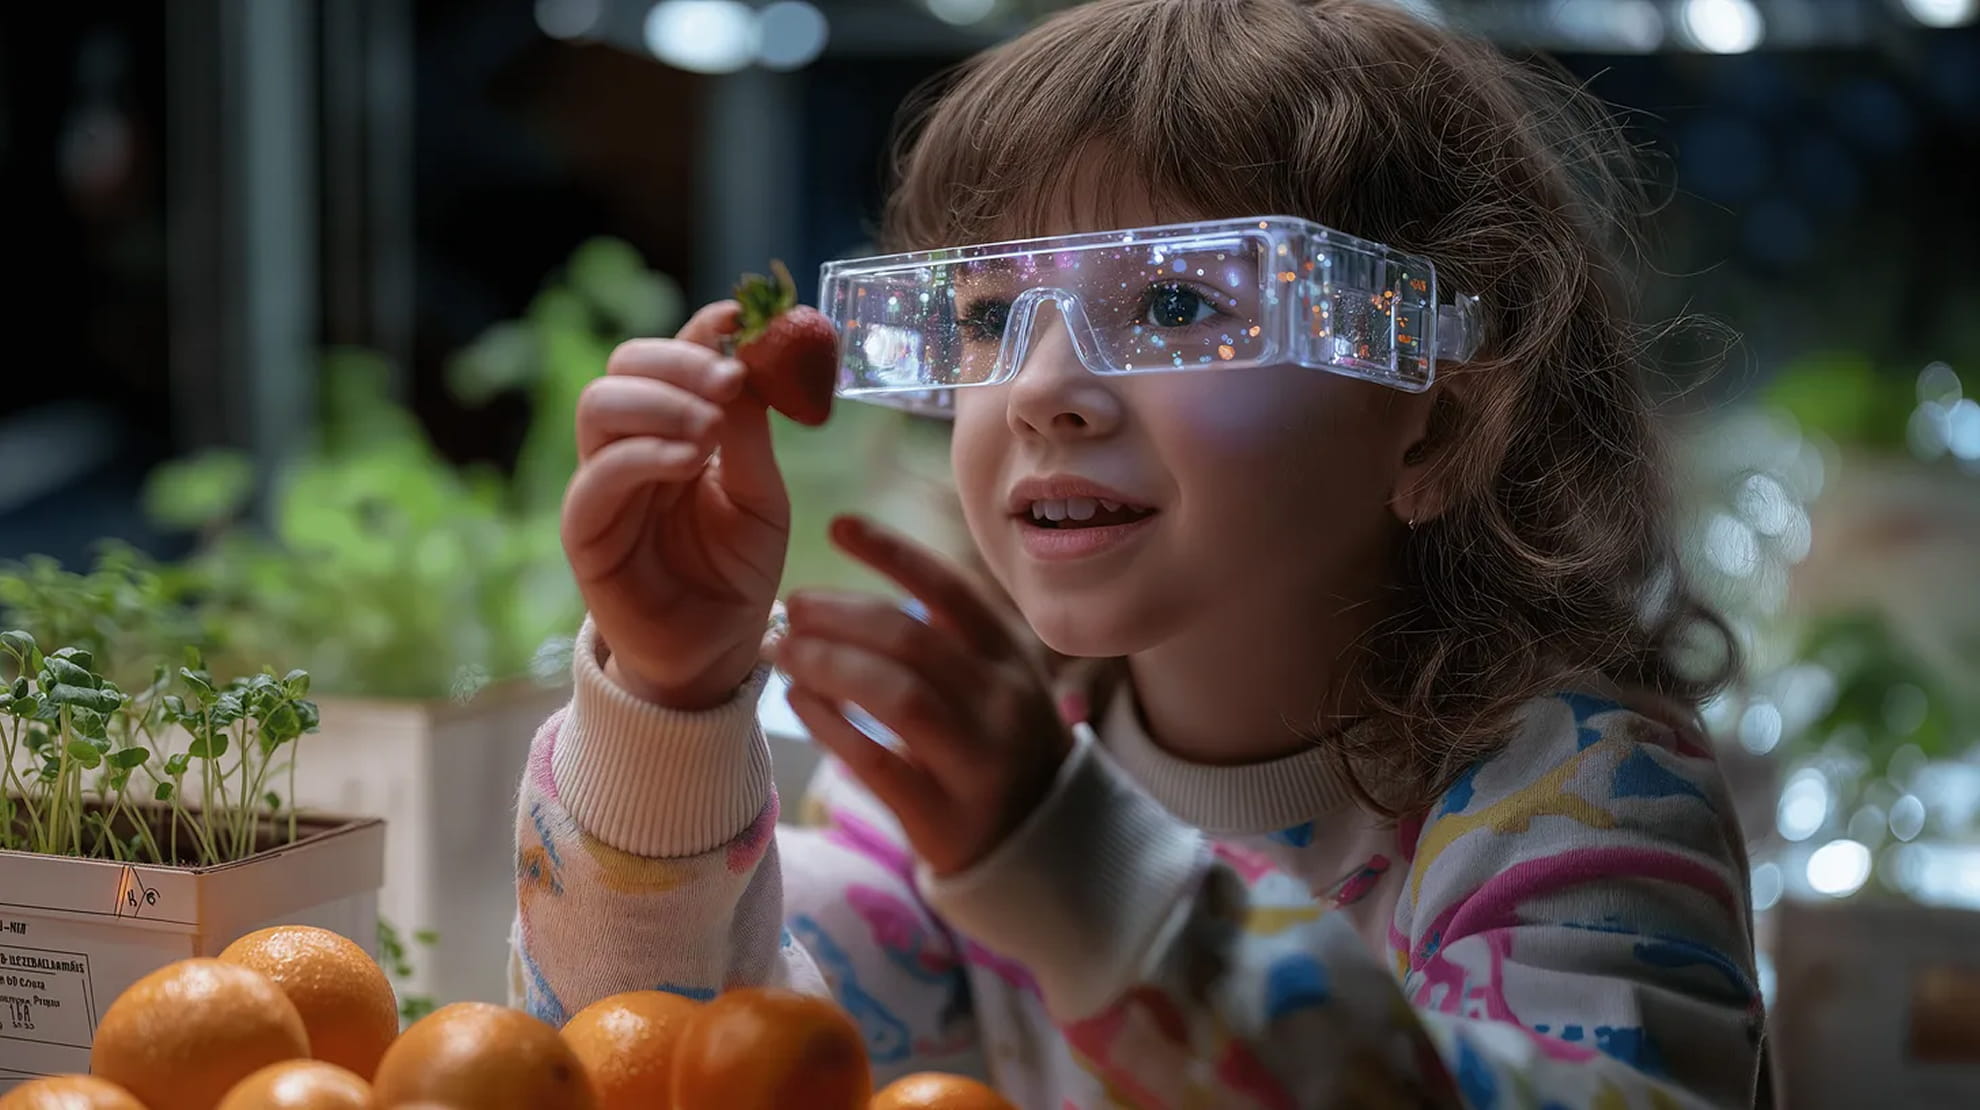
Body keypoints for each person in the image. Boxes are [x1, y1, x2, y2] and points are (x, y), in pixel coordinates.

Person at [510, 0, 1768, 1105]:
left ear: (1432, 416)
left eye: (1177, 305)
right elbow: (664, 1068)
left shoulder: (1575, 796)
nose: (1043, 390)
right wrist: (666, 708)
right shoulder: (975, 770)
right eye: (993, 316)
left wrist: (1085, 879)